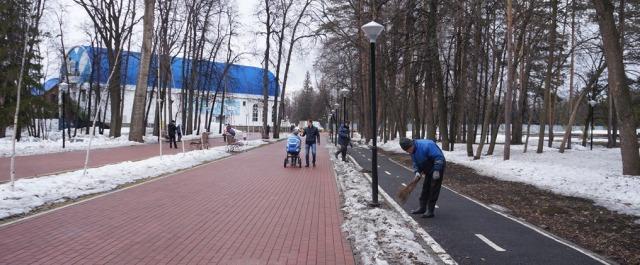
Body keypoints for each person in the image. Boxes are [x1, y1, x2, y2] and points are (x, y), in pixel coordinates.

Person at [400, 138, 446, 218]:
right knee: (426, 187)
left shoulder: (427, 145)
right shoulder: (412, 150)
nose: (409, 152)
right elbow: (415, 162)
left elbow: (439, 157)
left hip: (437, 166)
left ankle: (430, 211)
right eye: (407, 151)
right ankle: (422, 207)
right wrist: (417, 171)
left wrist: (437, 170)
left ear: (412, 145)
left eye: (409, 150)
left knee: (433, 188)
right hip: (427, 167)